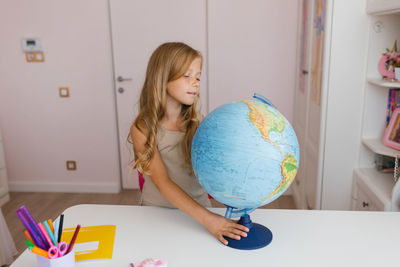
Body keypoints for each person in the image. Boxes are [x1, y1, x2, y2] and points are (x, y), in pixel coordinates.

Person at [129, 42, 248, 245]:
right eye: (187, 76)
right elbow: (162, 182)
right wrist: (210, 220)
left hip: (199, 211)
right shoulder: (142, 128)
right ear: (162, 76)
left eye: (198, 77)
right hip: (156, 213)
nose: (195, 83)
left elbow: (214, 167)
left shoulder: (198, 122)